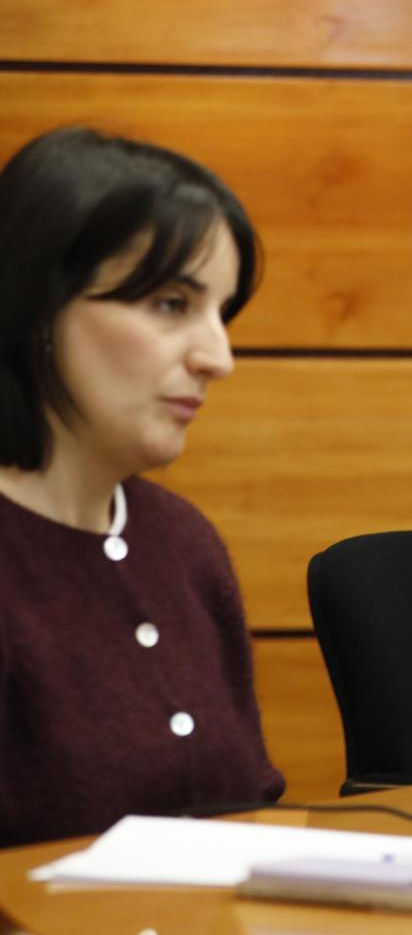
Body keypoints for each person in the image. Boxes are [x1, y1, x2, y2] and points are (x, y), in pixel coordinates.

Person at [0, 128, 283, 845]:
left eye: (222, 312)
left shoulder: (182, 542)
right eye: (170, 304)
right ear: (37, 304)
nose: (217, 356)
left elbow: (247, 810)